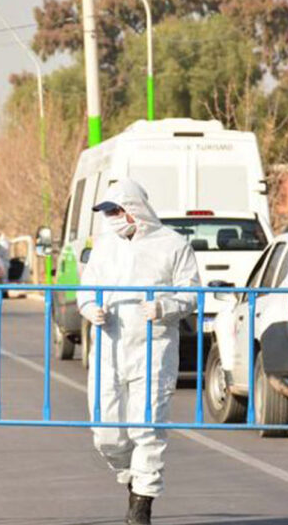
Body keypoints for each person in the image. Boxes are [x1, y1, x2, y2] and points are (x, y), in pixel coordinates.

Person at [76, 179, 199, 525]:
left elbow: (192, 293)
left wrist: (165, 306)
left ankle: (142, 503)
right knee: (107, 434)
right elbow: (85, 290)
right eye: (108, 212)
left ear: (134, 209)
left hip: (154, 348)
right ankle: (132, 477)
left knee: (147, 428)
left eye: (116, 210)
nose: (113, 218)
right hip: (109, 347)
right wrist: (88, 309)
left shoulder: (173, 245)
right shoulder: (104, 246)